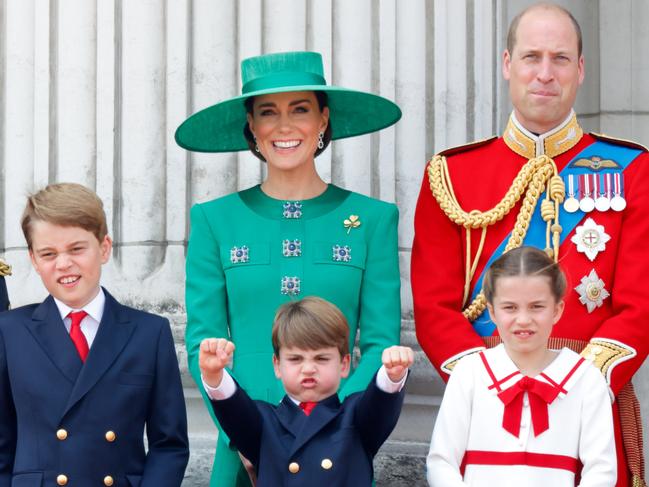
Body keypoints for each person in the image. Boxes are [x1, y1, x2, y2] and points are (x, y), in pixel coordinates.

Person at [411, 3, 649, 486]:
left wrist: (578, 384)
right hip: (483, 405)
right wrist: (486, 381)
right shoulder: (451, 175)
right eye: (531, 57)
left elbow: (641, 303)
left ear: (581, 69)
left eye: (560, 59)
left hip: (590, 401)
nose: (545, 73)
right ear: (506, 64)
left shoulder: (632, 169)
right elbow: (433, 305)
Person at [176, 51, 402, 486]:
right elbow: (203, 343)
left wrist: (339, 428)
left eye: (300, 109)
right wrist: (244, 435)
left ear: (323, 119)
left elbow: (379, 343)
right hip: (244, 449)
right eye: (268, 113)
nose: (284, 126)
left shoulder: (372, 219)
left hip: (338, 449)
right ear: (252, 128)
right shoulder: (213, 219)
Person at [0, 183, 189, 486]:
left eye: (76, 249)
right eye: (48, 254)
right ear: (34, 261)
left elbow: (169, 446)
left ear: (104, 248)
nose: (63, 264)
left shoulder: (149, 333)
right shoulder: (9, 332)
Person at [426, 247, 616, 486]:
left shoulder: (586, 379)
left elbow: (602, 470)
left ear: (557, 310)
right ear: (492, 312)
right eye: (510, 308)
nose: (524, 319)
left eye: (537, 307)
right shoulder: (470, 372)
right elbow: (441, 461)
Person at [199, 296, 413, 486]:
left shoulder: (355, 416)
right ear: (276, 365)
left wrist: (392, 374)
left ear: (344, 364)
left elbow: (380, 404)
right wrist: (214, 374)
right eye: (295, 359)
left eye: (321, 358)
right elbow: (234, 409)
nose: (309, 368)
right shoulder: (264, 421)